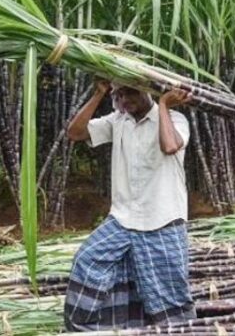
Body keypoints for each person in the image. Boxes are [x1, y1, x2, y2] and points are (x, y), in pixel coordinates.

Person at [63, 80, 194, 331]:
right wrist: (99, 93)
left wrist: (164, 103)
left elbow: (170, 146)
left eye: (130, 92)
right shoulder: (118, 121)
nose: (124, 100)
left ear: (148, 91)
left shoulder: (175, 120)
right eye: (119, 95)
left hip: (162, 220)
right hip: (123, 219)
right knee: (87, 261)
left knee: (168, 294)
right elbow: (75, 133)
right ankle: (92, 328)